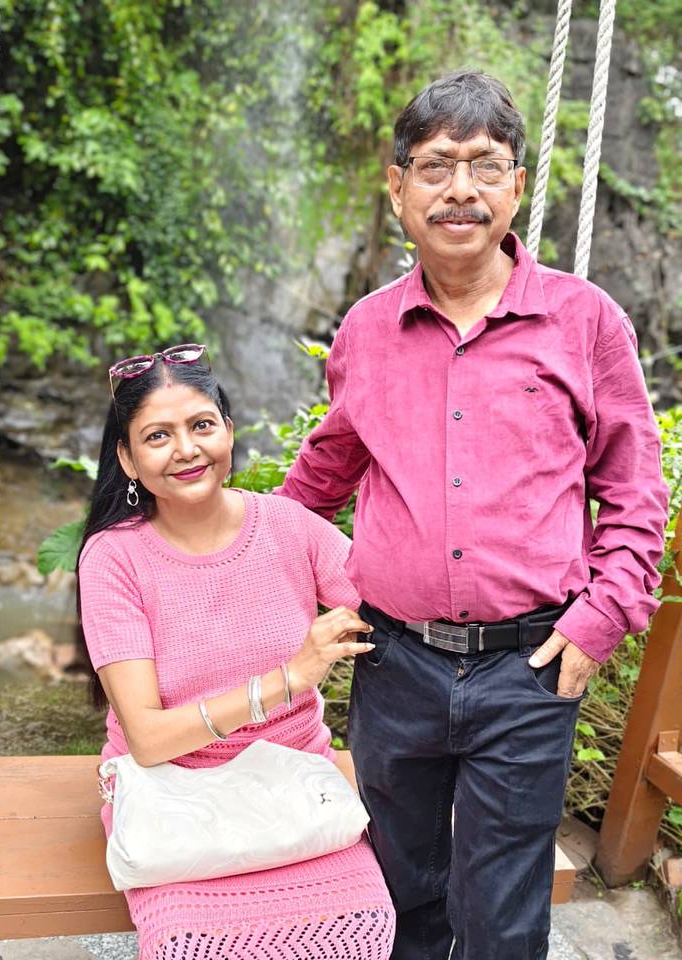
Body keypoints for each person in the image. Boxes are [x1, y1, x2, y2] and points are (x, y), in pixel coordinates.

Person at [279, 71, 670, 960]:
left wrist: (601, 619)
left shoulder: (585, 321)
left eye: (485, 165)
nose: (461, 189)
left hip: (529, 669)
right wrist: (225, 558)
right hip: (393, 661)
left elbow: (635, 490)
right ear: (398, 187)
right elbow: (323, 472)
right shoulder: (368, 330)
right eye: (437, 166)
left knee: (501, 915)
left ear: (517, 186)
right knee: (398, 890)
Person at [76, 344, 395, 960]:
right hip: (174, 797)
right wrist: (291, 677)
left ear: (228, 429)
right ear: (128, 459)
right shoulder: (115, 558)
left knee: (365, 931)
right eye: (158, 436)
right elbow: (148, 739)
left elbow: (392, 609)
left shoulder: (289, 526)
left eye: (201, 425)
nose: (186, 449)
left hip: (296, 789)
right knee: (192, 947)